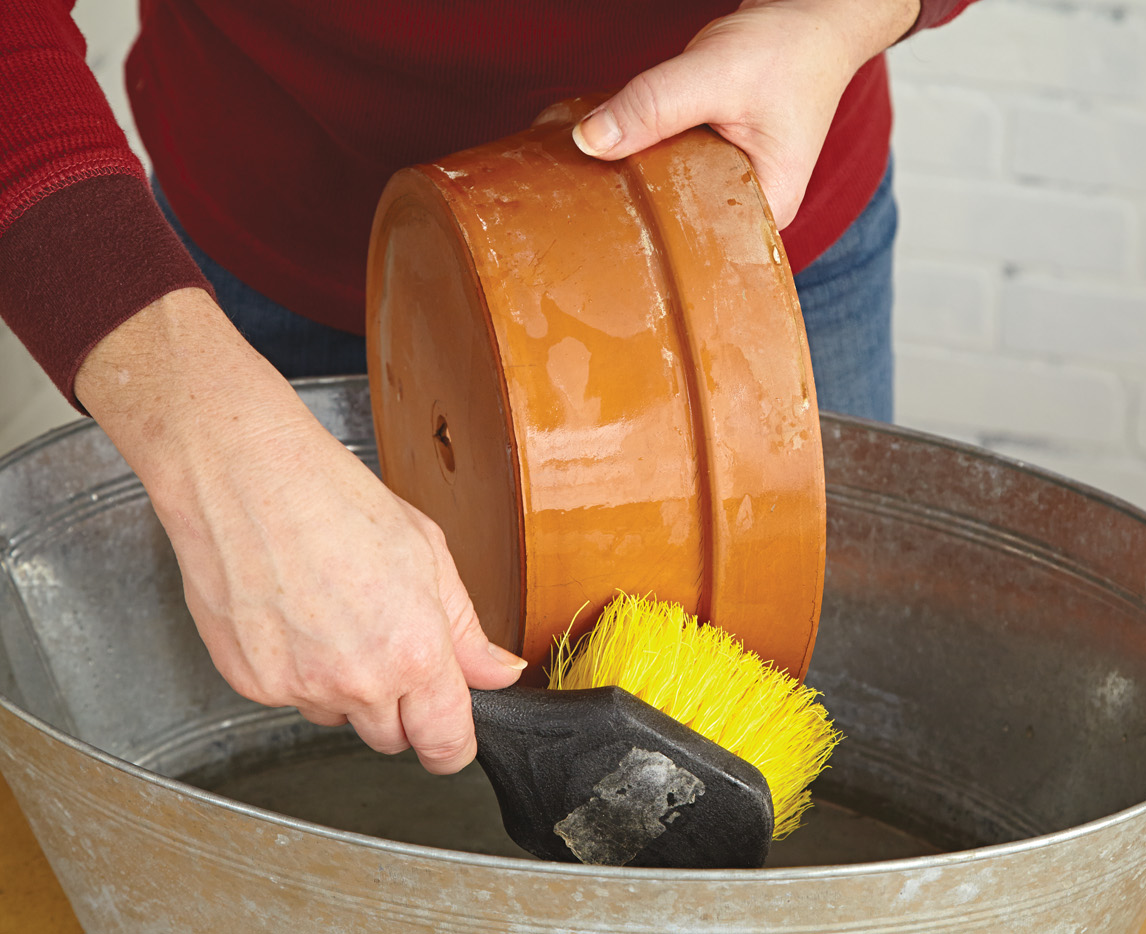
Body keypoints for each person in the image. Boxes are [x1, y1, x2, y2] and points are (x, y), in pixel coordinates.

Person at [0, 0, 976, 776]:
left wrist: (844, 16)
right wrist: (209, 434)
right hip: (261, 279)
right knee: (334, 792)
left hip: (737, 243)